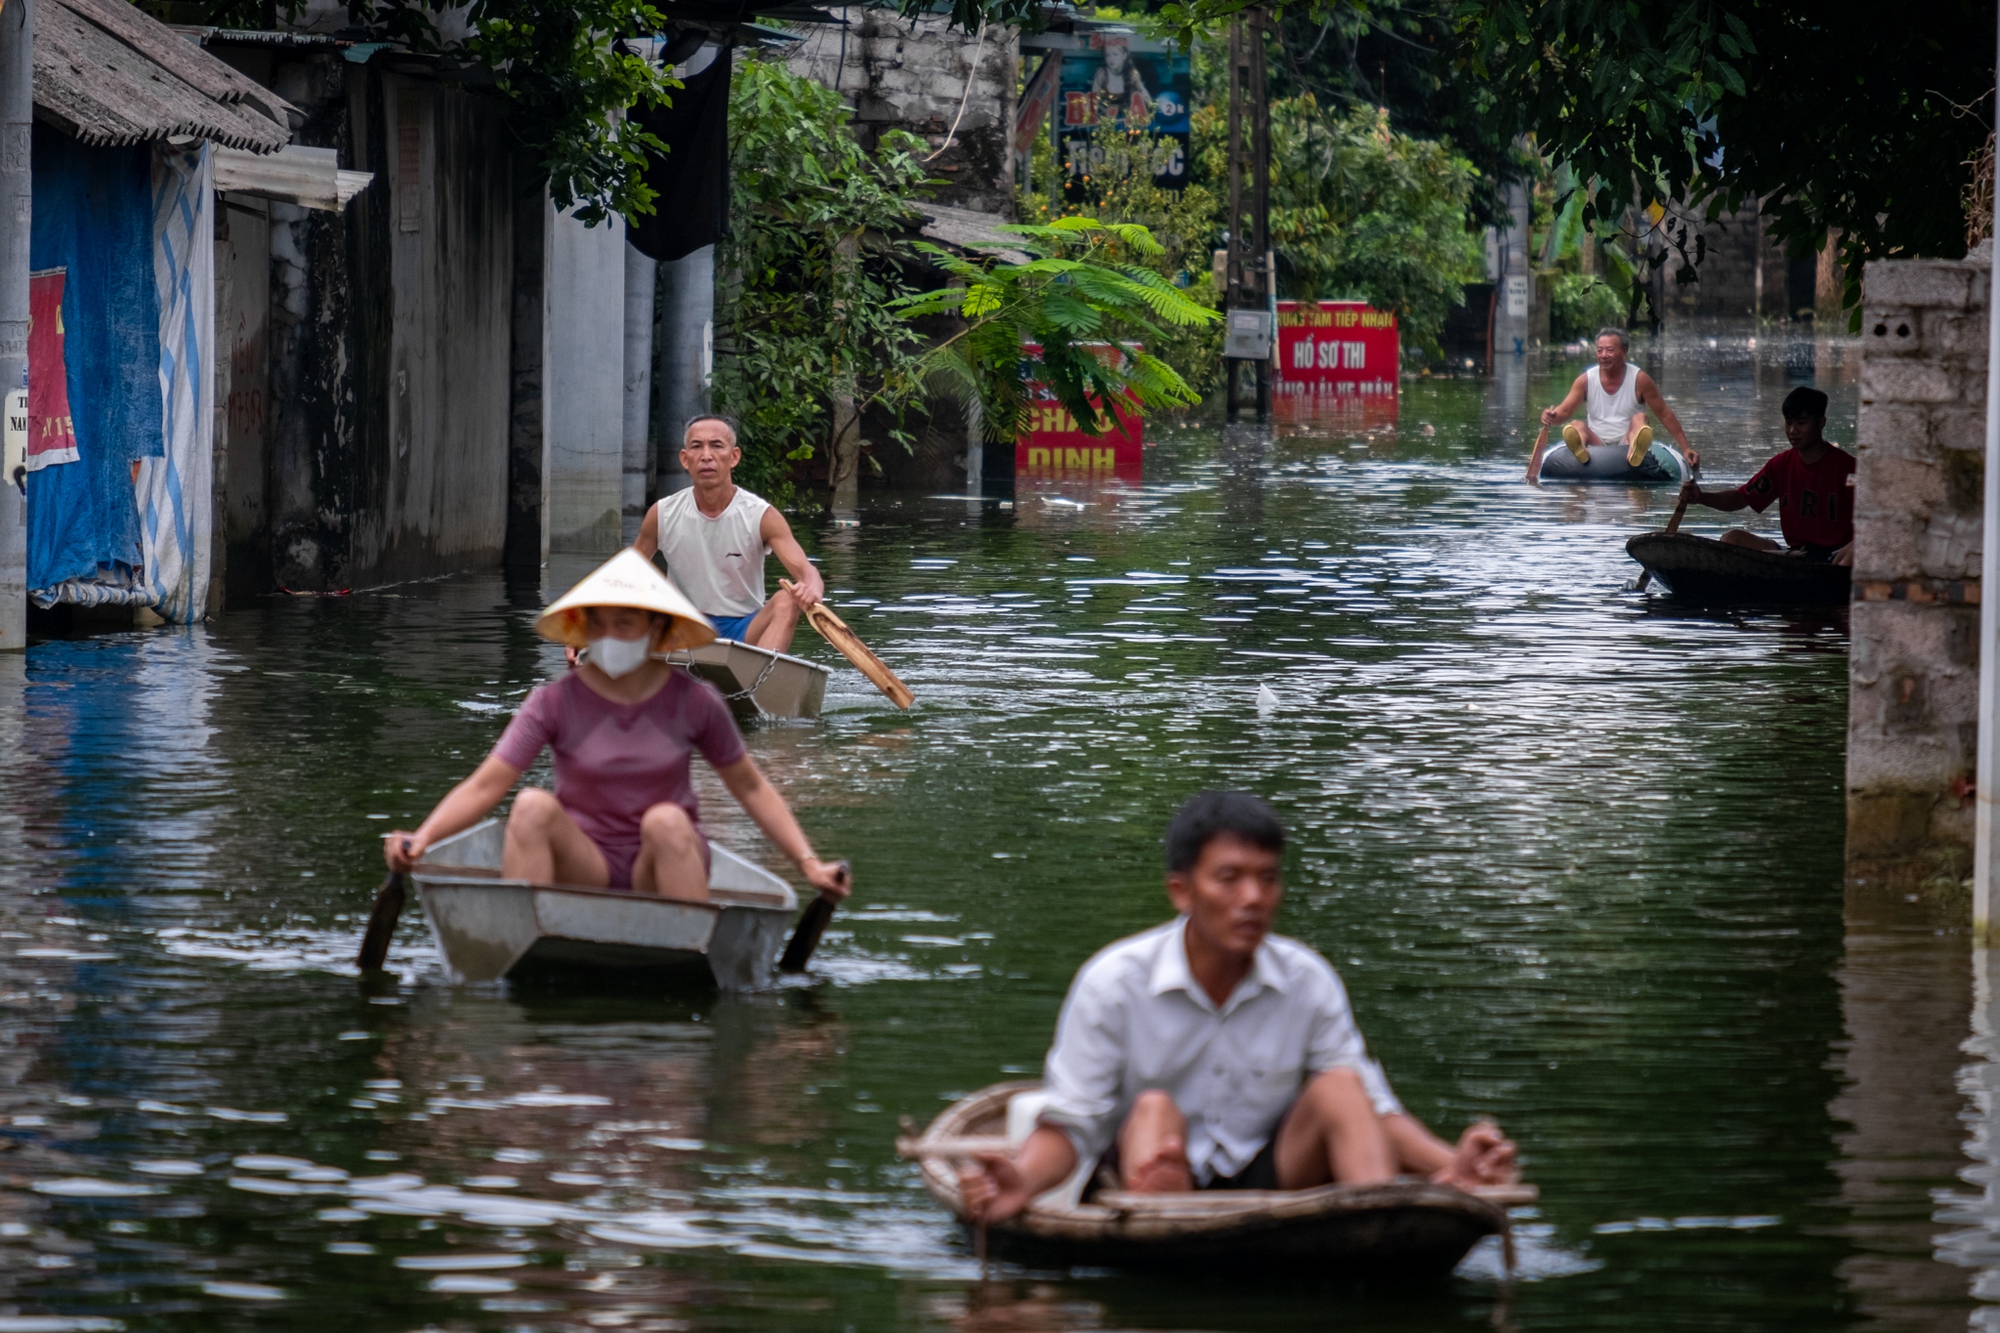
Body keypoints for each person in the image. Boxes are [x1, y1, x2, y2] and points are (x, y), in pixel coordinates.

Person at [960, 792, 1517, 1223]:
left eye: (1267, 879)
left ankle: (1374, 1225)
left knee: (1341, 1086)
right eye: (1229, 879)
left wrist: (1452, 1167)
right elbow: (1072, 1127)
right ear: (1182, 891)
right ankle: (1169, 1249)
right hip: (1152, 1173)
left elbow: (1372, 1111)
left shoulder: (1307, 979)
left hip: (1272, 1177)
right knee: (1154, 1109)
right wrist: (1022, 1180)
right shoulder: (1114, 982)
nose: (1252, 898)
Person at [382, 549, 850, 906]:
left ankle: (686, 952)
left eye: (624, 624)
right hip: (584, 862)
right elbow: (488, 784)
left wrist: (808, 865)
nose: (609, 638)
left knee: (666, 819)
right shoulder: (553, 701)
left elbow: (751, 789)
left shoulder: (695, 701)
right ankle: (528, 934)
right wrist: (421, 840)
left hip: (662, 859)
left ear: (657, 631)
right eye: (598, 625)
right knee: (530, 805)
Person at [633, 415, 824, 653]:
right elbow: (625, 574)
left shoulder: (761, 516)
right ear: (685, 459)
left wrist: (812, 588)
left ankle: (759, 678)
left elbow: (806, 571)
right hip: (682, 628)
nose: (706, 456)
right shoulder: (662, 513)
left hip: (743, 630)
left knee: (786, 600)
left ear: (734, 457)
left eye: (716, 446)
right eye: (697, 446)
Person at [1674, 386, 1855, 566]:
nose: (1792, 431)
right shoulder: (1781, 464)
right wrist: (1701, 497)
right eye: (1788, 423)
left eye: (1801, 423)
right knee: (1732, 539)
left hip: (1836, 557)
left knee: (1856, 551)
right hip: (1796, 555)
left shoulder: (1848, 468)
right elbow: (1740, 498)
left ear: (1821, 423)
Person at [1538, 327, 1693, 469]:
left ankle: (1635, 450)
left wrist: (1686, 448)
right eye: (1600, 351)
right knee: (1576, 425)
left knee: (1640, 418)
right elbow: (1564, 412)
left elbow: (1664, 414)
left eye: (1610, 350)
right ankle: (1581, 451)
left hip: (1627, 440)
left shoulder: (1640, 379)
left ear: (1624, 352)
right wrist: (1551, 416)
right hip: (1596, 441)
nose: (1603, 355)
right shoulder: (1585, 380)